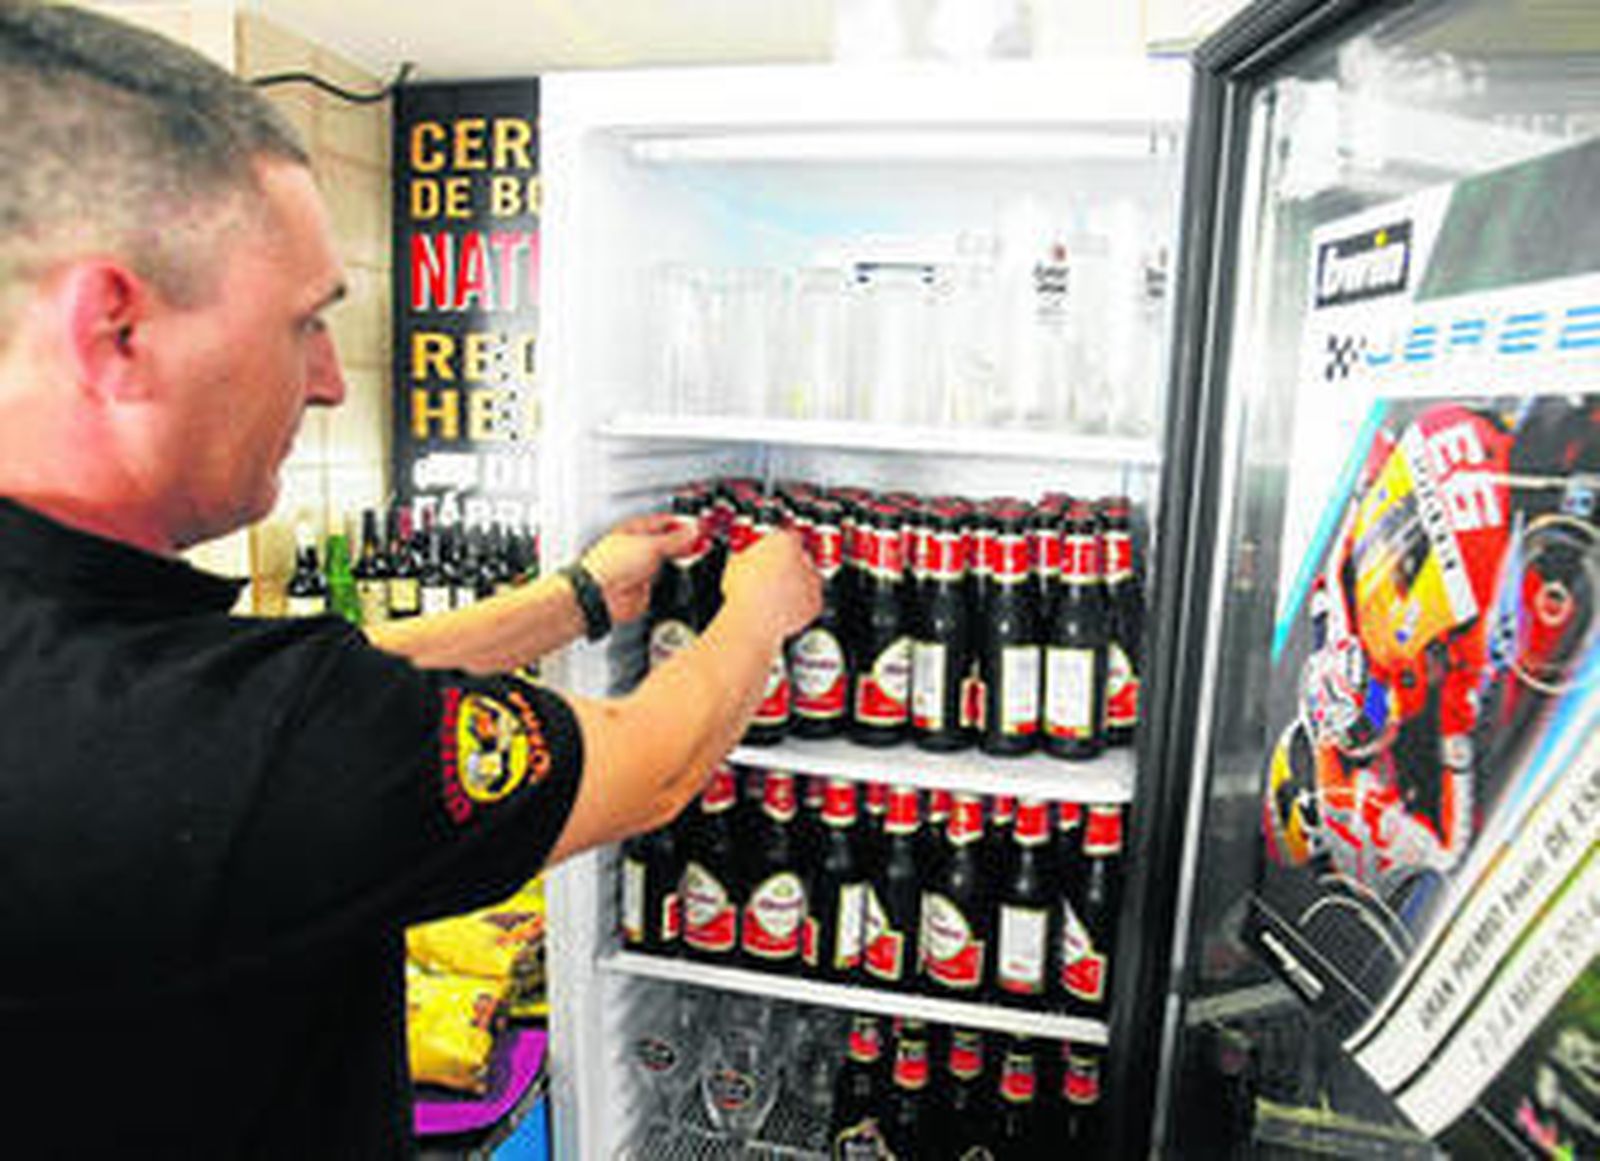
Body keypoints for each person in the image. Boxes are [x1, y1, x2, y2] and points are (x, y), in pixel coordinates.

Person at [0, 5, 820, 1155]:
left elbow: (294, 696)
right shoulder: (217, 743)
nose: (331, 381)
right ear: (115, 331)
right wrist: (761, 613)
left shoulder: (109, 680)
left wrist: (577, 599)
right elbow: (657, 764)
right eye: (304, 324)